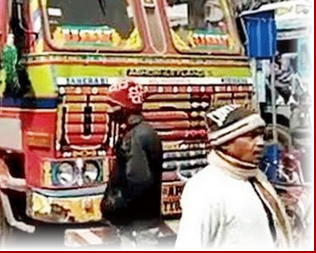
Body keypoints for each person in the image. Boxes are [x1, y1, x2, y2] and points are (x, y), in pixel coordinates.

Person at [175, 105, 292, 249]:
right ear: (225, 143)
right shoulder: (205, 188)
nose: (260, 143)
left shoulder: (257, 179)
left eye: (262, 135)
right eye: (251, 136)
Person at [100, 79, 163, 246]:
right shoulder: (146, 131)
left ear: (125, 108)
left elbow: (137, 179)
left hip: (137, 223)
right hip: (146, 219)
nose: (109, 110)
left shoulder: (134, 137)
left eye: (113, 105)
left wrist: (114, 207)